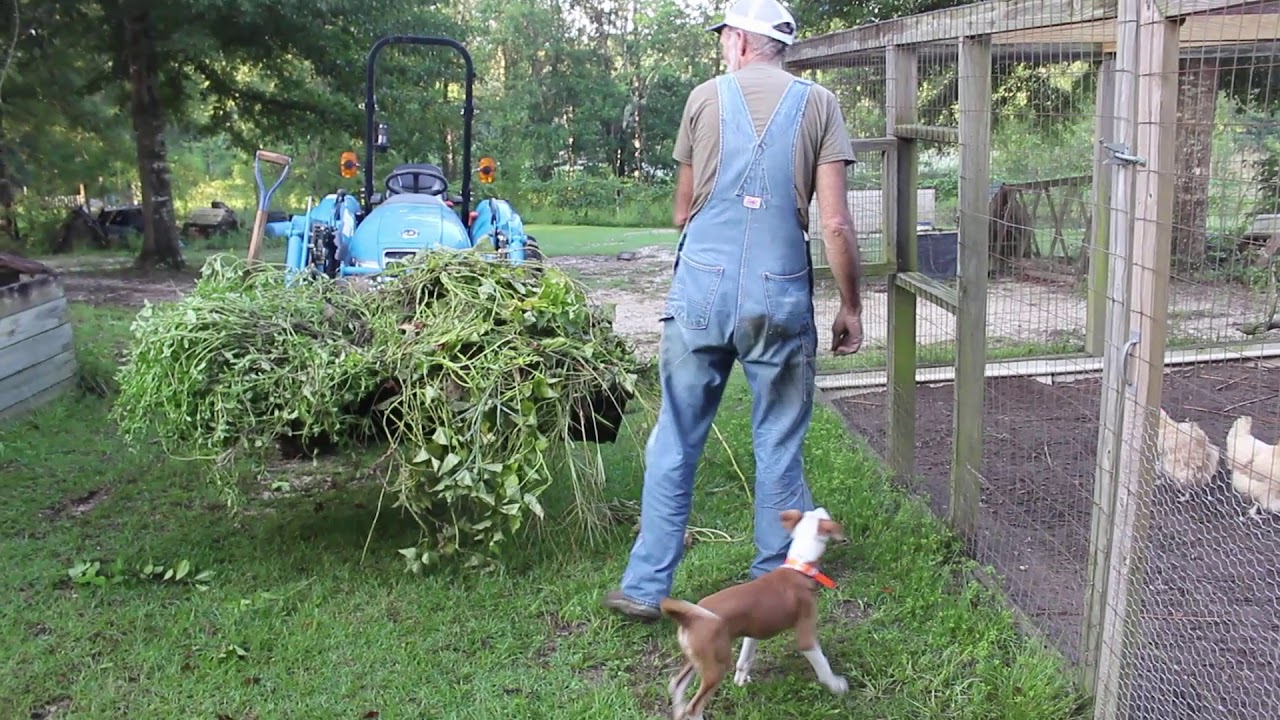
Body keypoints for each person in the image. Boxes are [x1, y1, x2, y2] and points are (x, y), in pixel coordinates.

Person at [602, 0, 865, 622]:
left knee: (677, 434)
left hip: (702, 288)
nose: (723, 46)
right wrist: (851, 303)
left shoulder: (703, 99)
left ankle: (644, 586)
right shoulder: (820, 105)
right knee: (777, 437)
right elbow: (833, 221)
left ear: (742, 42)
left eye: (725, 36)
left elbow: (681, 210)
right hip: (778, 290)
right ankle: (774, 579)